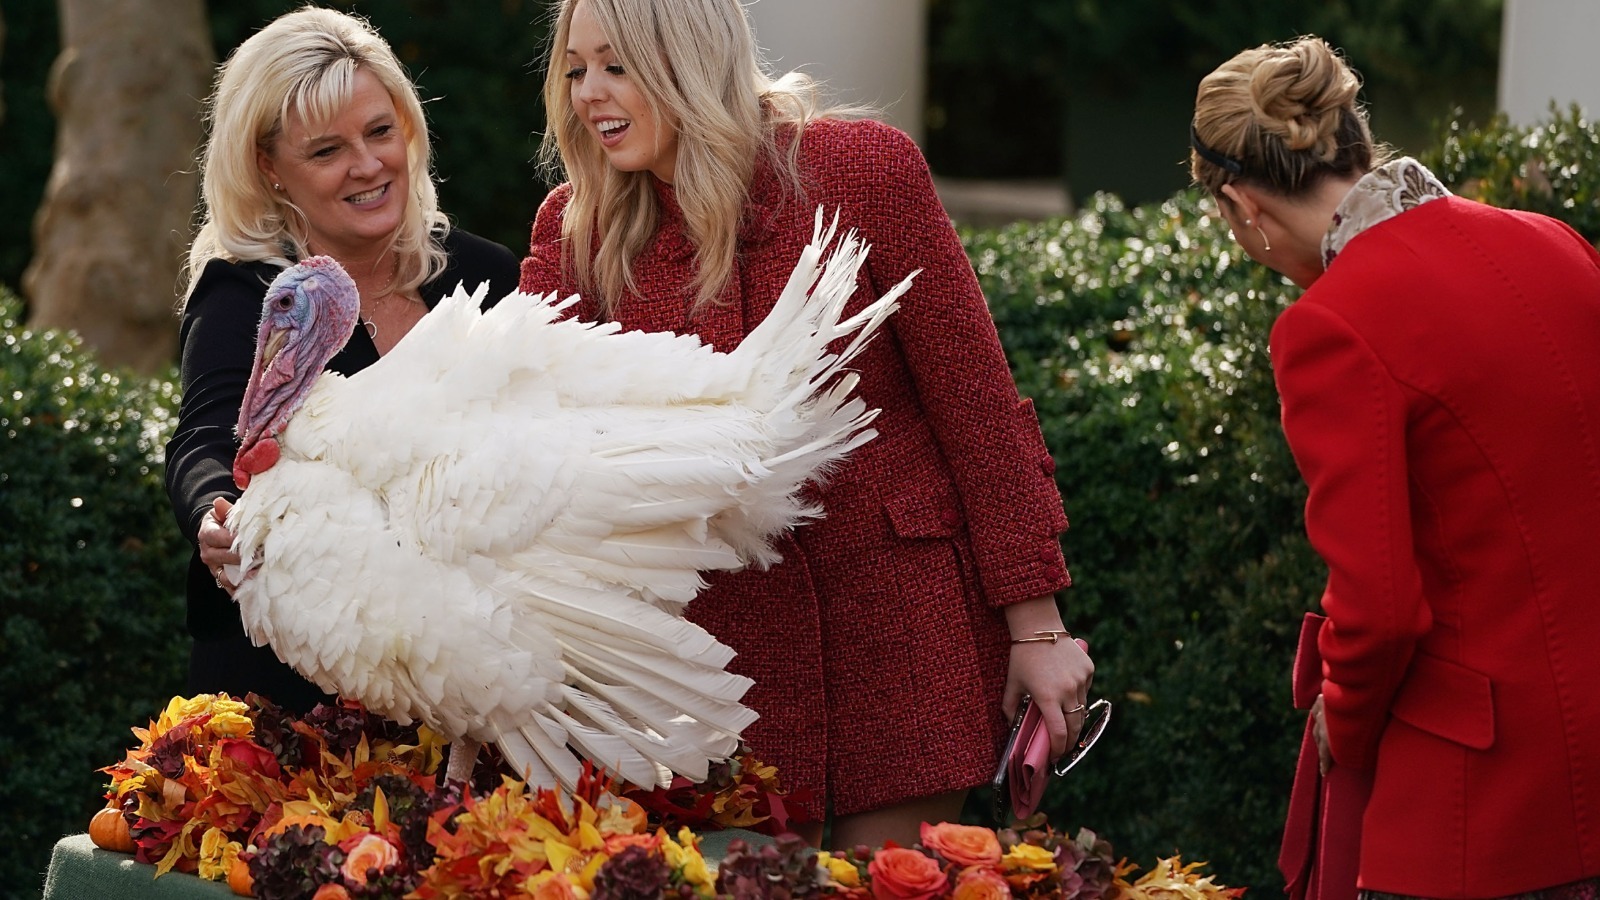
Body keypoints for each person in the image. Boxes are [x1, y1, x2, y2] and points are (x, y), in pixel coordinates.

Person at [520, 0, 1091, 849]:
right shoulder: (580, 230)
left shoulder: (861, 170)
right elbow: (518, 436)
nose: (590, 94)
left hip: (902, 631)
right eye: (575, 70)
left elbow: (976, 409)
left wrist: (1037, 626)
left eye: (618, 65)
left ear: (690, 57)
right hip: (716, 671)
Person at [1191, 36, 1600, 899]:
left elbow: (1377, 610)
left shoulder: (1331, 324)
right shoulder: (1557, 245)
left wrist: (1343, 714)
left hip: (1473, 802)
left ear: (1241, 206)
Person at [166, 7, 520, 714]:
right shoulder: (246, 292)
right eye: (326, 151)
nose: (367, 165)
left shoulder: (487, 275)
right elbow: (204, 440)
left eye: (380, 131)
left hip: (469, 686)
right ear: (269, 168)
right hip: (291, 695)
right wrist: (217, 511)